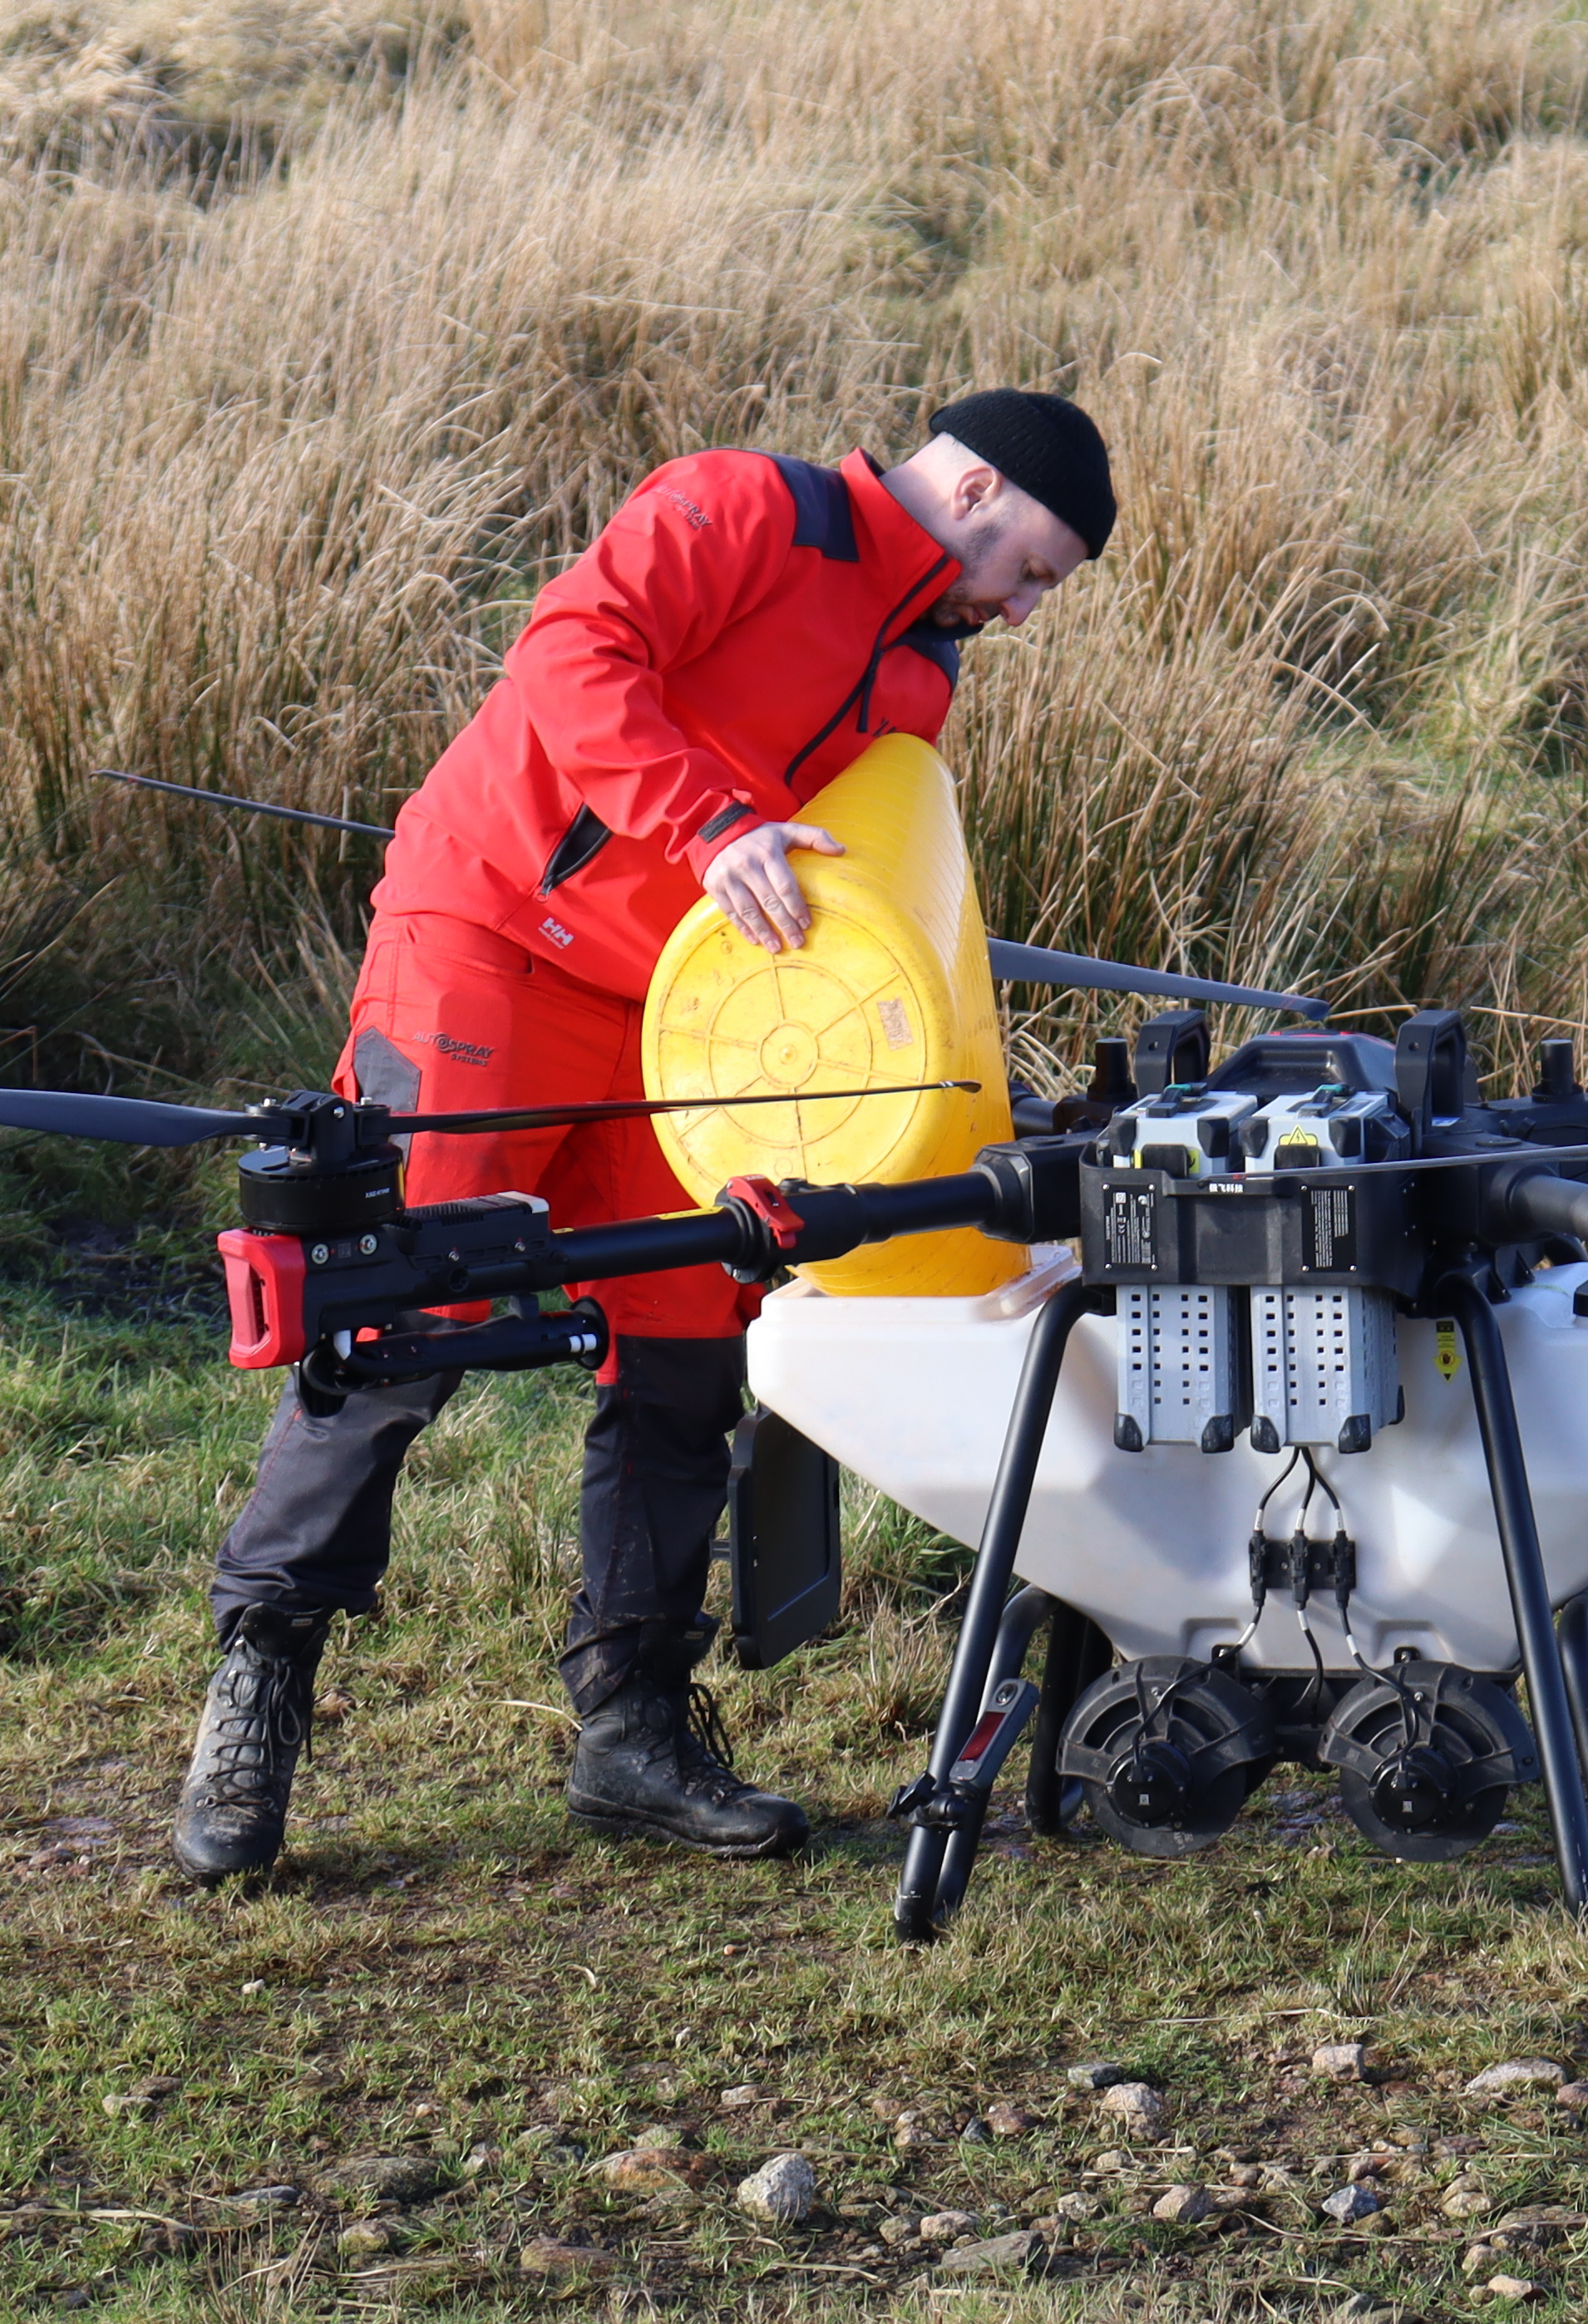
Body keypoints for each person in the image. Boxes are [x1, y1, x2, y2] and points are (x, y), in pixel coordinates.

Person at [172, 390, 1115, 1882]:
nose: (1028, 605)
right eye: (1037, 569)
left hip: (682, 1022)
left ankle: (631, 1724)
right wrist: (711, 820)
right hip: (487, 932)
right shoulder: (750, 507)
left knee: (691, 1334)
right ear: (975, 485)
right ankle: (257, 1694)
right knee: (400, 1305)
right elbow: (567, 655)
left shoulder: (925, 672)